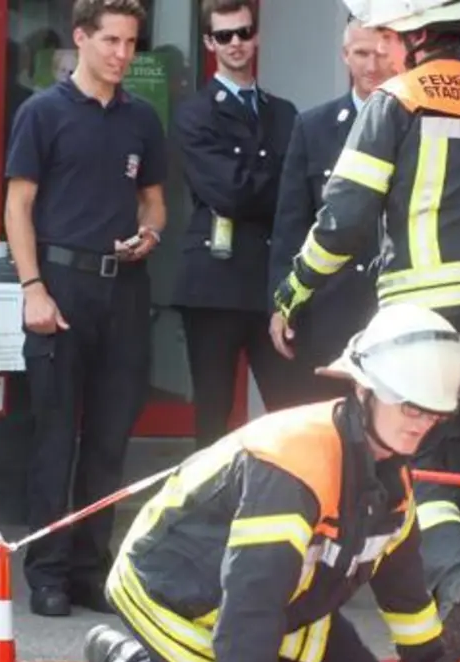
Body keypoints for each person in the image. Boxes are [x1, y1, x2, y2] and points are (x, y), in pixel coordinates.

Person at [84, 304, 460, 662]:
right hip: (178, 597)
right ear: (364, 390)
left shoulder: (388, 473)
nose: (420, 424)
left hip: (275, 601)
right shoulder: (293, 466)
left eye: (432, 413)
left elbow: (399, 578)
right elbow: (250, 608)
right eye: (409, 408)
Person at [270, 0, 460, 661]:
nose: (389, 50)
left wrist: (294, 290)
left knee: (412, 459)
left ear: (417, 37)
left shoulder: (398, 100)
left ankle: (456, 577)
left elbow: (342, 221)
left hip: (429, 311)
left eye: (395, 38)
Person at [6, 0, 167, 617]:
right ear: (81, 39)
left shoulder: (142, 119)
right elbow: (18, 207)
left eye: (131, 43)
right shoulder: (42, 112)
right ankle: (45, 571)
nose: (123, 55)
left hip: (124, 288)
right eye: (111, 41)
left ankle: (88, 570)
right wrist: (32, 288)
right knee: (54, 439)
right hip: (60, 285)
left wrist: (149, 233)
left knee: (108, 439)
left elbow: (154, 202)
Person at [172, 0, 298, 448]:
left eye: (243, 32)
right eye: (224, 36)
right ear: (209, 42)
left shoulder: (283, 113)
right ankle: (208, 512)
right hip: (215, 284)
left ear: (256, 35)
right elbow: (230, 192)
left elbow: (299, 195)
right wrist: (276, 184)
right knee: (213, 411)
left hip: (272, 284)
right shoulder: (195, 112)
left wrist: (261, 186)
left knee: (290, 407)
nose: (236, 43)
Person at [265, 18, 396, 408]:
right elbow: (291, 223)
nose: (371, 65)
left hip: (391, 308)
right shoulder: (313, 126)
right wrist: (280, 305)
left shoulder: (414, 122)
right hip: (329, 311)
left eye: (380, 53)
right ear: (344, 55)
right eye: (360, 53)